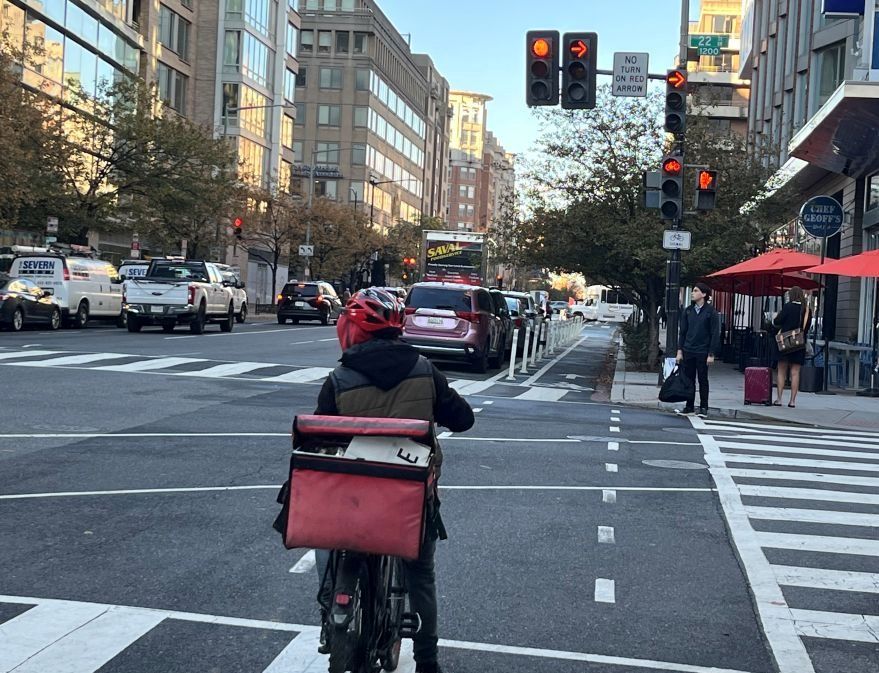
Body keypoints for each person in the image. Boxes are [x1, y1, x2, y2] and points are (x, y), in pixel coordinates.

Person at [313, 288, 474, 673]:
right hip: (410, 497)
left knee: (326, 541)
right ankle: (428, 660)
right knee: (420, 573)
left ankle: (331, 606)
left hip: (353, 496)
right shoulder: (425, 371)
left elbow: (320, 438)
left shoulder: (339, 379)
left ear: (352, 330)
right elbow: (464, 419)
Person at [676, 282, 721, 418]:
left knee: (703, 379)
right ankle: (689, 406)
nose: (692, 293)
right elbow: (682, 332)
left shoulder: (710, 312)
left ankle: (703, 407)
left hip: (702, 351)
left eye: (695, 291)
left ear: (704, 294)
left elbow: (714, 333)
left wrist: (711, 353)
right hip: (688, 349)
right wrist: (679, 350)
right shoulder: (688, 311)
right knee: (689, 379)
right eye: (693, 291)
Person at [773, 286, 812, 408]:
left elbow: (777, 321)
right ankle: (792, 401)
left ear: (791, 295)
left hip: (785, 342)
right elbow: (807, 328)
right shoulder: (806, 310)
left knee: (781, 371)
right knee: (795, 372)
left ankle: (779, 399)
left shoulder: (788, 307)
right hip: (799, 344)